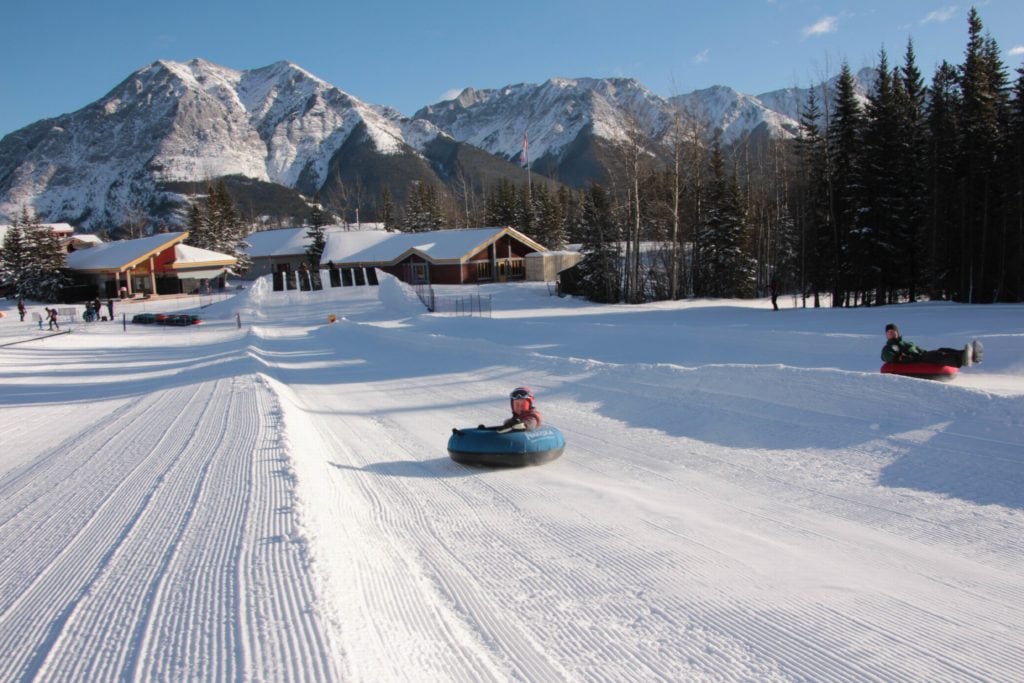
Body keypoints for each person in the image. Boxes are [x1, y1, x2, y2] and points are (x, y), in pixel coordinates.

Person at [881, 323, 982, 368]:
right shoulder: (888, 348)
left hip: (920, 356)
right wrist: (901, 358)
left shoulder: (907, 343)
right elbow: (886, 356)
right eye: (889, 332)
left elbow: (919, 349)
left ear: (897, 332)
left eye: (893, 331)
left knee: (941, 350)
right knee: (935, 355)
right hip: (913, 360)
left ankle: (969, 355)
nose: (891, 333)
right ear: (886, 335)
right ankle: (962, 360)